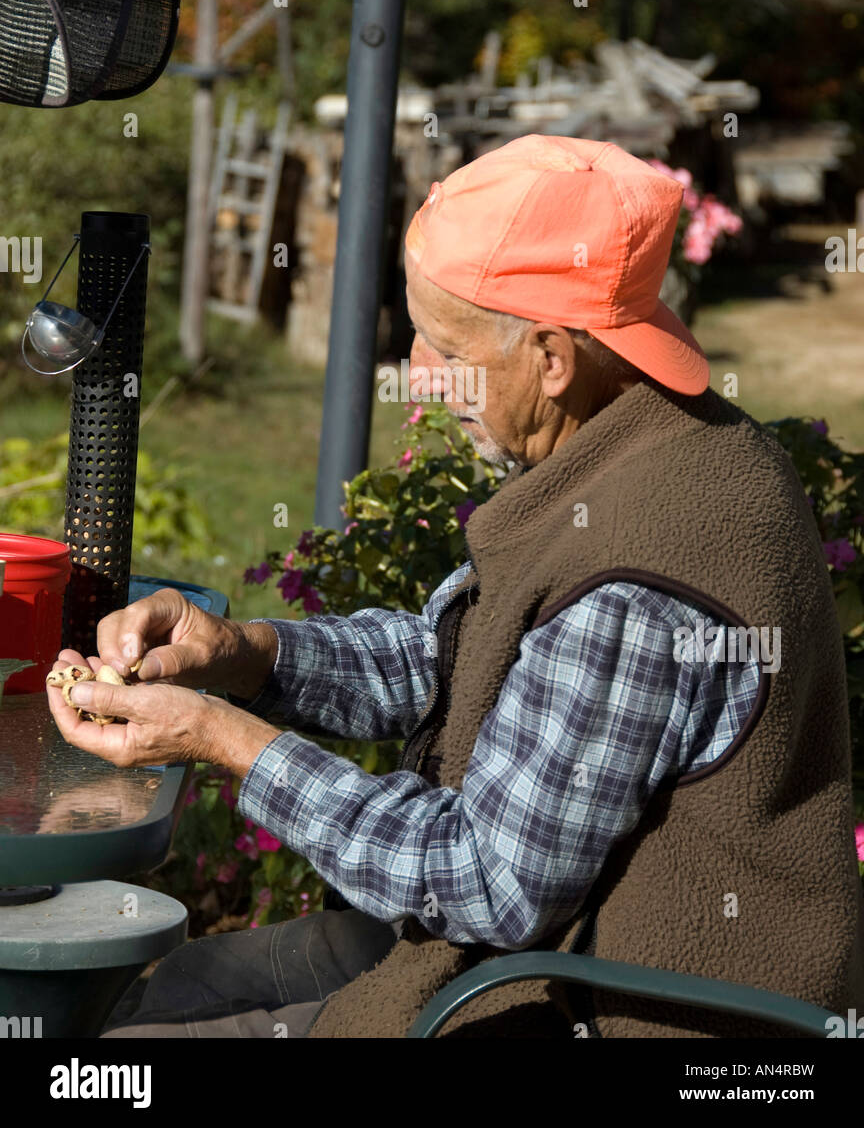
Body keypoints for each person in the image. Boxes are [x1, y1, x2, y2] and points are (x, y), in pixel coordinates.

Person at [50, 135, 864, 1039]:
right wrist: (242, 654)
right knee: (182, 981)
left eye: (445, 345)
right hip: (536, 949)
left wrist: (225, 742)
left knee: (114, 1067)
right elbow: (453, 655)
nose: (417, 377)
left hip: (606, 1005)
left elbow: (485, 884)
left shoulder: (641, 581)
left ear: (552, 358)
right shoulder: (637, 433)